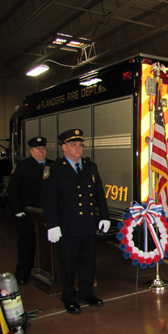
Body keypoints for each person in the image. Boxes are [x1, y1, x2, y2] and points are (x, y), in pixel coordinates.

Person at [42, 129, 110, 315]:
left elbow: (99, 195)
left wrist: (104, 216)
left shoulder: (90, 167)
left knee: (88, 262)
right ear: (63, 147)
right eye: (73, 145)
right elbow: (49, 200)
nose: (78, 148)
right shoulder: (54, 169)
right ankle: (69, 298)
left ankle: (86, 294)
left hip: (87, 225)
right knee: (68, 265)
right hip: (67, 227)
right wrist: (52, 224)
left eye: (80, 145)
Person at [9, 137, 53, 286]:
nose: (42, 151)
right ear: (31, 150)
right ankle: (23, 273)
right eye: (38, 148)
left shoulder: (53, 165)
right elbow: (13, 190)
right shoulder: (22, 166)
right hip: (27, 214)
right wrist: (17, 210)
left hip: (47, 213)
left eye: (43, 148)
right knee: (26, 245)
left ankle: (50, 272)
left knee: (50, 245)